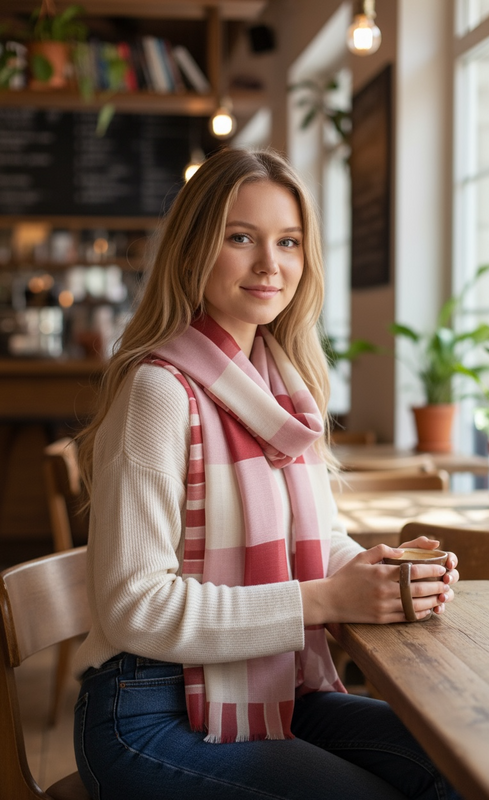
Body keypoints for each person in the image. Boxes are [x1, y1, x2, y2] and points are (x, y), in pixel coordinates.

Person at [73, 147, 461, 800]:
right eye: (240, 238)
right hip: (145, 709)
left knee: (456, 762)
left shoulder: (280, 386)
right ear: (195, 250)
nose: (269, 265)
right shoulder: (158, 391)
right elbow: (134, 604)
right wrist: (326, 601)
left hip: (263, 679)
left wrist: (376, 570)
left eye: (288, 242)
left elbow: (315, 541)